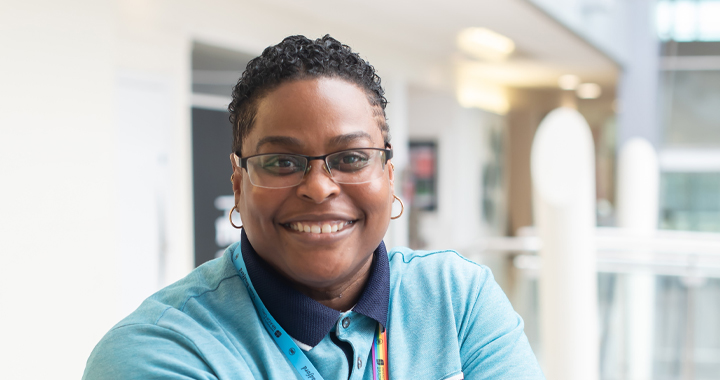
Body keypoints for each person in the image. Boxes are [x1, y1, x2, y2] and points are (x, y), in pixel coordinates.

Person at [83, 35, 544, 380]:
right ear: (238, 184)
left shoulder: (456, 299)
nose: (320, 188)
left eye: (350, 158)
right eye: (282, 162)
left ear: (388, 176)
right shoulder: (161, 352)